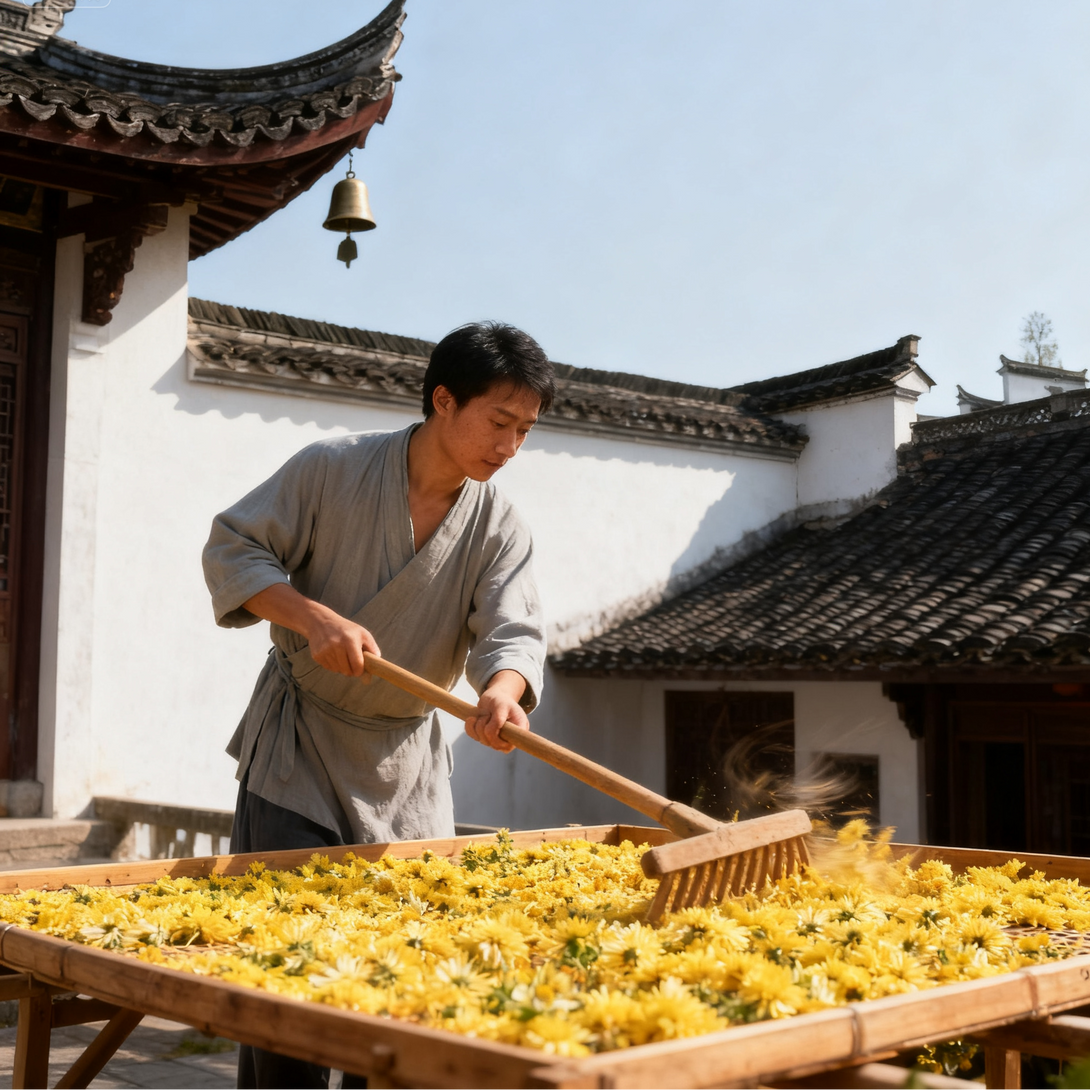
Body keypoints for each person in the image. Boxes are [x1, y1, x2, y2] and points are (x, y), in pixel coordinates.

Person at [202, 321, 555, 1090]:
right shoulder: (331, 469)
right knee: (288, 978)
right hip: (298, 752)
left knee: (398, 986)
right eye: (499, 422)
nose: (510, 447)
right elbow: (233, 547)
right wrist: (311, 618)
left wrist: (501, 694)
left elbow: (513, 631)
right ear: (443, 400)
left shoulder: (499, 525)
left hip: (406, 768)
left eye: (525, 430)